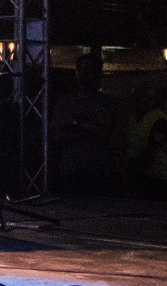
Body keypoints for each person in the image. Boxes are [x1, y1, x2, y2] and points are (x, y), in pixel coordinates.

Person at [49, 52, 120, 195]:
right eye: (80, 69)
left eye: (89, 69)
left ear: (97, 73)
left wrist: (76, 123)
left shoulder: (107, 103)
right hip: (70, 169)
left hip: (97, 170)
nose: (84, 74)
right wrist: (88, 128)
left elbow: (104, 133)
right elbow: (56, 134)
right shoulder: (65, 102)